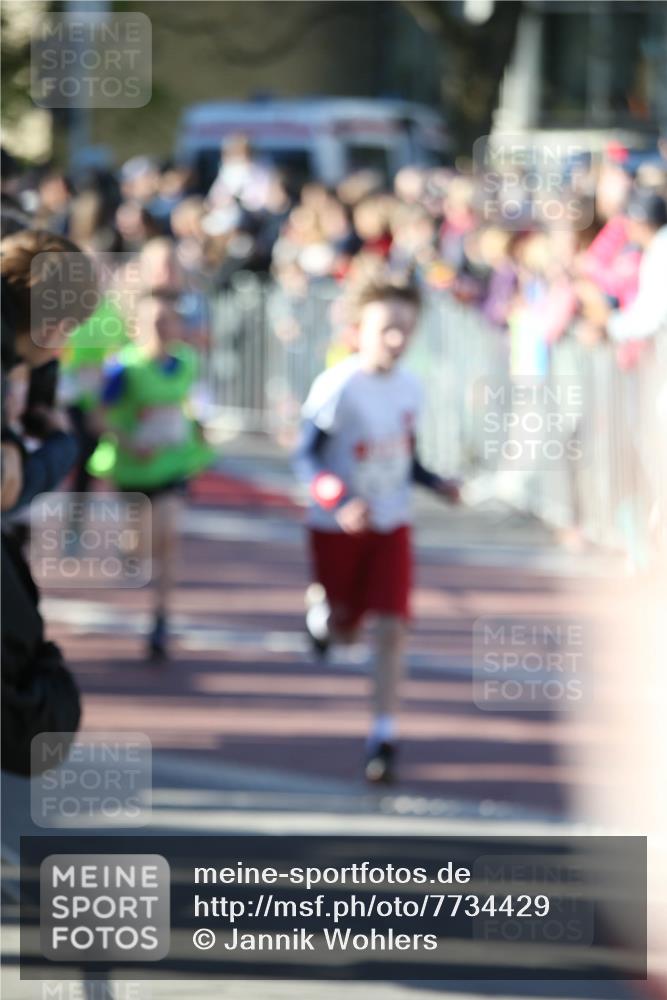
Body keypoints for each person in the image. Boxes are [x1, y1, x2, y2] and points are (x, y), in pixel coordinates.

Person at [294, 277, 461, 784]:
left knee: (392, 628)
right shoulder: (338, 387)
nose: (396, 339)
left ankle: (382, 736)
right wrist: (339, 499)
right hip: (338, 526)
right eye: (387, 328)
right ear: (358, 331)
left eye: (405, 329)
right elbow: (304, 456)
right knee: (345, 633)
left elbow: (404, 456)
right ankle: (323, 616)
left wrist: (436, 482)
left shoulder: (412, 387)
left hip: (392, 522)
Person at [90, 293, 216, 661]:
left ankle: (161, 618)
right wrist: (128, 441)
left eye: (168, 321)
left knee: (169, 537)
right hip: (132, 467)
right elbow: (98, 417)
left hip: (173, 463)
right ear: (137, 327)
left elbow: (194, 402)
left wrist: (199, 426)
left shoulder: (188, 362)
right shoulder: (123, 369)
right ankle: (129, 550)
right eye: (154, 322)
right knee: (140, 544)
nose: (162, 329)